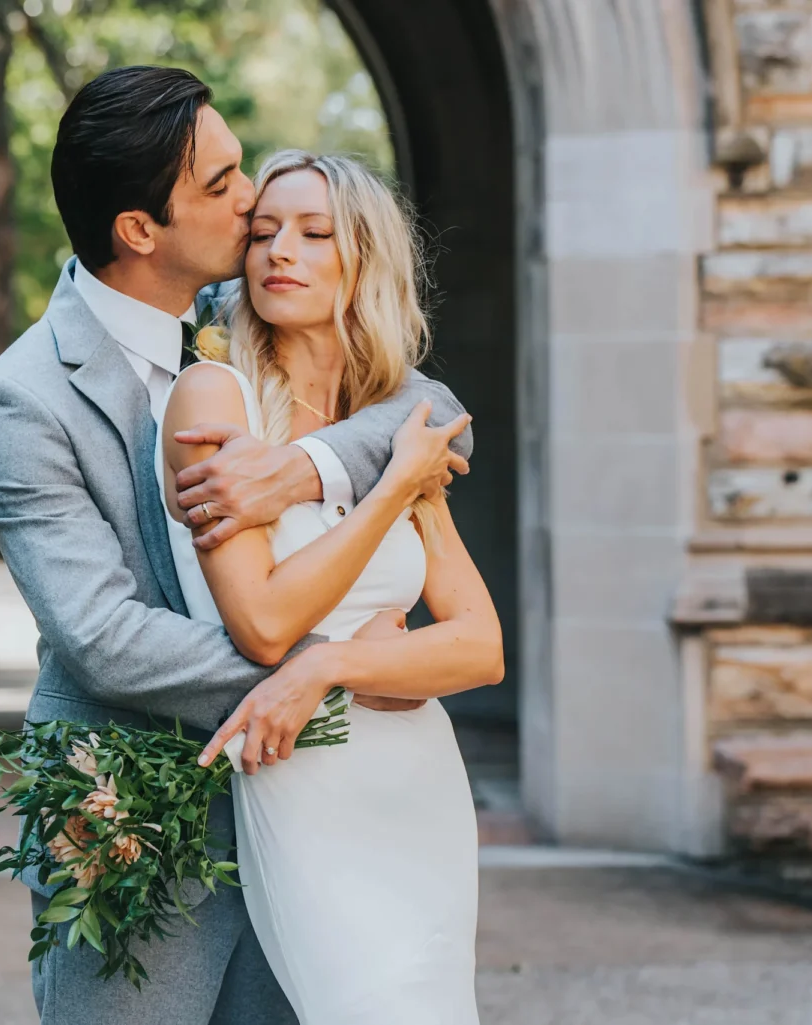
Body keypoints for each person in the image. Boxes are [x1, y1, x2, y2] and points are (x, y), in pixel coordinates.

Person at [0, 66, 471, 1024]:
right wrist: (328, 668)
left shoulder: (247, 323)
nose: (252, 205)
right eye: (222, 184)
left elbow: (440, 415)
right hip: (134, 811)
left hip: (304, 809)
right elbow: (101, 634)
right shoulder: (20, 397)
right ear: (140, 230)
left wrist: (308, 466)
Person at [159, 151, 504, 1023]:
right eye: (265, 232)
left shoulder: (394, 417)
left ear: (364, 263)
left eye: (316, 234)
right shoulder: (215, 397)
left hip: (417, 785)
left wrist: (334, 665)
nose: (282, 251)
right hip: (304, 782)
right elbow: (266, 625)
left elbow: (481, 645)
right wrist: (391, 487)